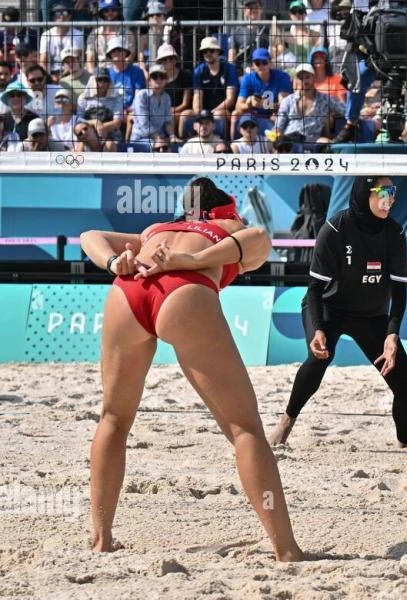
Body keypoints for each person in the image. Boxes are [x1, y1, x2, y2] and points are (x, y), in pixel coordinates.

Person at [78, 178, 303, 562]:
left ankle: (102, 538)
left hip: (128, 291)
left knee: (113, 417)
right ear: (226, 210)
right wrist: (196, 261)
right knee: (245, 429)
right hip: (186, 294)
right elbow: (261, 238)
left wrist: (114, 262)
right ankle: (286, 549)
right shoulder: (228, 227)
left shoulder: (155, 231)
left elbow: (89, 235)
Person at [269, 176, 407, 447]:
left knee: (405, 387)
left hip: (371, 316)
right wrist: (317, 328)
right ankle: (286, 422)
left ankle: (404, 446)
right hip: (330, 309)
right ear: (365, 194)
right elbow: (314, 288)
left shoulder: (394, 233)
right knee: (319, 358)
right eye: (385, 191)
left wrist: (392, 334)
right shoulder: (336, 229)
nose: (392, 198)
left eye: (393, 191)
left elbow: (399, 291)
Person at [332, 0, 407, 143]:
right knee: (358, 77)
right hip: (376, 55)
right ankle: (351, 124)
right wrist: (366, 47)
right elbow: (357, 25)